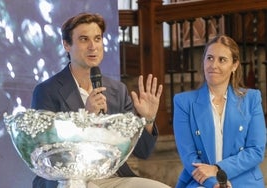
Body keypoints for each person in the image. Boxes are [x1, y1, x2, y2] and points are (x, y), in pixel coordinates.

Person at [31, 12, 171, 188]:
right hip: (69, 179)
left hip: (112, 176)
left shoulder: (117, 90)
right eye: (84, 39)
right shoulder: (47, 91)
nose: (93, 46)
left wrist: (148, 120)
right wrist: (85, 117)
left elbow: (142, 151)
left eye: (97, 39)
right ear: (66, 45)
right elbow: (47, 154)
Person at [173, 35, 266, 188]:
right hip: (202, 182)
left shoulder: (252, 99)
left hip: (245, 181)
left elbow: (256, 151)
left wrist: (218, 171)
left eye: (222, 60)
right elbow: (189, 156)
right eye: (209, 58)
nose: (213, 65)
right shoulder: (183, 102)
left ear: (234, 65)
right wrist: (215, 183)